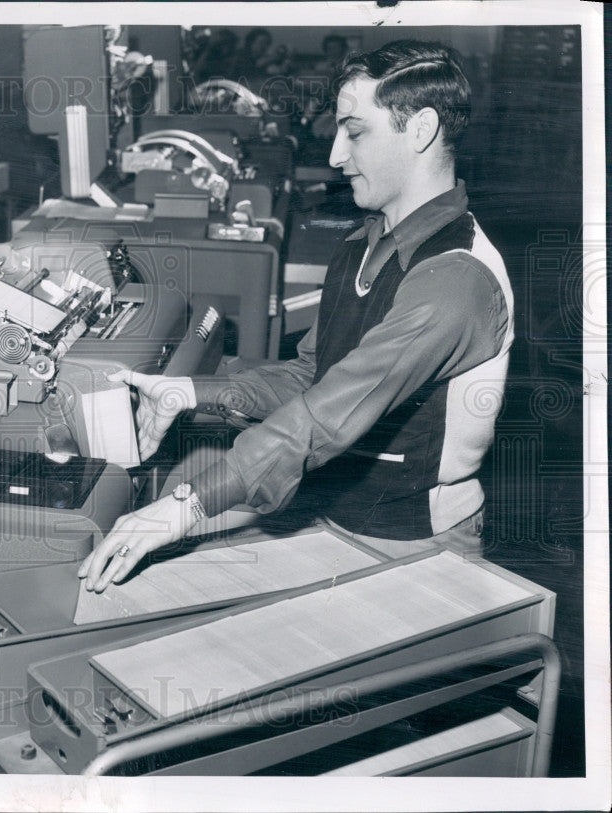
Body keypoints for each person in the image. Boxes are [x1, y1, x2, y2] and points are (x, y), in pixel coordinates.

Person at [81, 40, 513, 593]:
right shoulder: (363, 244)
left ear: (422, 129)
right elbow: (309, 376)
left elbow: (324, 417)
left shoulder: (457, 281)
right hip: (337, 513)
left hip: (412, 546)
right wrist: (189, 392)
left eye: (354, 132)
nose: (335, 155)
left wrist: (185, 508)